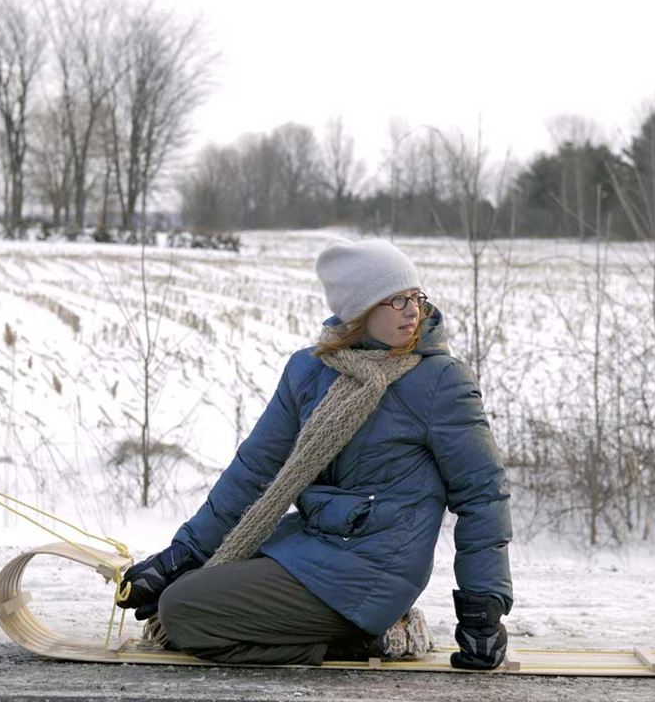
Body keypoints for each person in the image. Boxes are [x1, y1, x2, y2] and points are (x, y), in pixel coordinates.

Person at [116, 238, 513, 669]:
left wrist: (482, 610)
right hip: (310, 545)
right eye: (395, 300)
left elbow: (482, 495)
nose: (412, 310)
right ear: (357, 311)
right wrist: (182, 555)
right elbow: (255, 472)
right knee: (197, 580)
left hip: (373, 569)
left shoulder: (439, 381)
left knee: (184, 611)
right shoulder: (309, 371)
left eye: (416, 297)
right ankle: (350, 632)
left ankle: (362, 641)